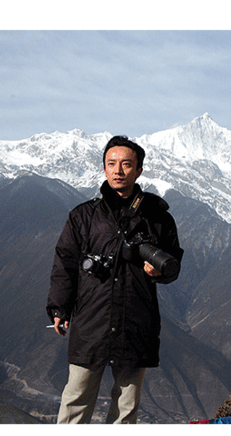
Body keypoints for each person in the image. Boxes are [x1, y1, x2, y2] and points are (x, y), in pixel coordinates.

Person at [45, 135, 183, 424]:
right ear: (104, 169)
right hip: (91, 320)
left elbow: (173, 263)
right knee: (76, 400)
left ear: (139, 170)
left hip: (135, 321)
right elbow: (65, 263)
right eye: (112, 164)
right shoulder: (83, 216)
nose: (118, 170)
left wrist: (162, 272)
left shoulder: (158, 218)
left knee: (126, 407)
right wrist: (59, 308)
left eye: (126, 164)